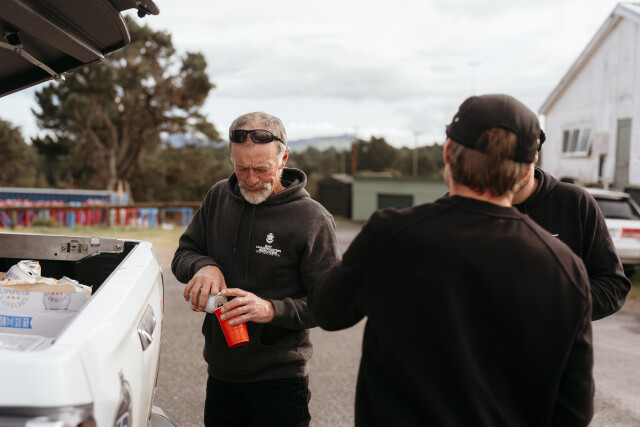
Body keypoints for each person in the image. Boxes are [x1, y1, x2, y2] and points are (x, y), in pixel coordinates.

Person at [308, 94, 594, 426]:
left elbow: (326, 311)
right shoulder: (564, 267)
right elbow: (575, 412)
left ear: (447, 153)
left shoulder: (390, 235)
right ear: (527, 168)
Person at [171, 111, 340, 427]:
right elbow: (184, 254)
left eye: (261, 169)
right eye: (241, 168)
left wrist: (271, 309)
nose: (250, 179)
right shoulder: (218, 197)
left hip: (280, 382)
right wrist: (204, 266)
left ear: (283, 158)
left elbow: (330, 304)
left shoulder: (313, 219)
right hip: (221, 375)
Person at [512, 151, 630, 320]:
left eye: (515, 152)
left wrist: (556, 305)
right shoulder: (475, 209)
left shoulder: (575, 202)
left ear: (535, 153)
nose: (507, 164)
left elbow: (613, 285)